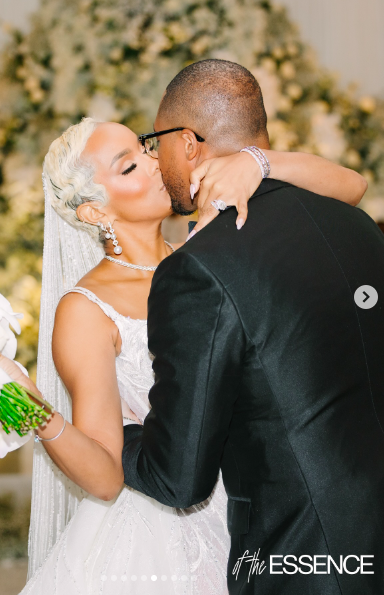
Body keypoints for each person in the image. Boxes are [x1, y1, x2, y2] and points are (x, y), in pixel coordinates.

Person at [0, 91, 368, 592]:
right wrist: (23, 404)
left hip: (259, 511)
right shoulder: (86, 310)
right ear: (96, 212)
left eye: (144, 149)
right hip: (157, 540)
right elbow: (102, 475)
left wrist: (256, 163)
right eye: (127, 167)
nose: (154, 164)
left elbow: (351, 188)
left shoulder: (208, 248)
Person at [120, 59, 384, 594]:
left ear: (189, 144)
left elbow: (179, 477)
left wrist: (111, 431)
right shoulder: (356, 224)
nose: (155, 159)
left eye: (156, 141)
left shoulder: (197, 268)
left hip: (303, 559)